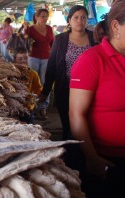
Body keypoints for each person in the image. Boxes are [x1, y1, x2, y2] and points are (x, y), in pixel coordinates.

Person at [69, 1, 125, 197]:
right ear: (116, 26)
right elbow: (76, 113)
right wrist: (91, 157)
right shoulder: (92, 60)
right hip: (108, 159)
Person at [40, 5, 95, 140]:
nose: (79, 21)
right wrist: (45, 91)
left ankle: (86, 151)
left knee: (88, 124)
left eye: (83, 17)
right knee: (68, 125)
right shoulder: (60, 40)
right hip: (66, 88)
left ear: (87, 20)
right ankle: (70, 153)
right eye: (75, 17)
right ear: (69, 20)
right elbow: (52, 66)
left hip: (90, 90)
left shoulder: (94, 38)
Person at [25, 8, 54, 119]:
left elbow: (52, 43)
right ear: (36, 17)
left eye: (46, 16)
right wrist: (25, 30)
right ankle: (32, 106)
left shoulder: (49, 28)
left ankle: (43, 107)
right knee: (33, 81)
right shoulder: (31, 29)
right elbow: (26, 41)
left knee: (45, 82)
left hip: (46, 58)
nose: (45, 18)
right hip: (33, 58)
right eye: (42, 16)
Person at [14, 47, 42, 124]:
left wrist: (33, 99)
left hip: (28, 107)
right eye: (20, 59)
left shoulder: (33, 74)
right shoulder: (11, 74)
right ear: (14, 60)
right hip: (14, 107)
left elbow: (38, 89)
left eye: (25, 58)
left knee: (29, 125)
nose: (23, 61)